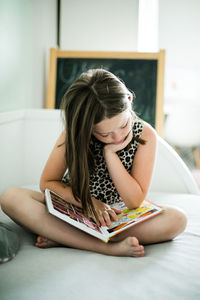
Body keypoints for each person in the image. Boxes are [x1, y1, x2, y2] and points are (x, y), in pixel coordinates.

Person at [0, 69, 187, 257]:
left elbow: (134, 200)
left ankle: (64, 236)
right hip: (74, 206)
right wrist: (89, 204)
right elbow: (47, 183)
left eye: (123, 125)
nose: (117, 137)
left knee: (177, 219)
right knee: (11, 197)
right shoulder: (75, 134)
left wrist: (111, 154)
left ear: (129, 101)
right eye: (104, 134)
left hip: (116, 215)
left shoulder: (145, 135)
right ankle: (104, 246)